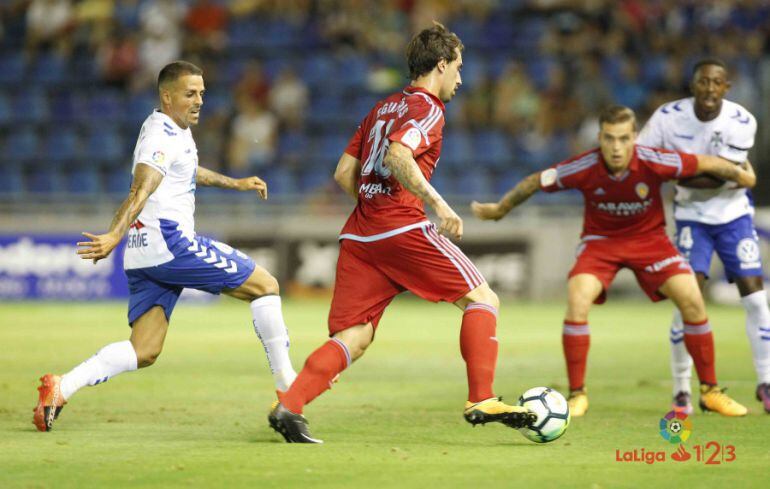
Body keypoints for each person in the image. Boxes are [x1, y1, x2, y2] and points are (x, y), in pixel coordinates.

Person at [267, 22, 536, 444]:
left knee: (354, 338)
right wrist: (439, 204)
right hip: (400, 226)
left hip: (360, 234)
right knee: (483, 299)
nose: (461, 79)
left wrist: (372, 203)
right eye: (459, 68)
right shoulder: (428, 108)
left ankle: (291, 405)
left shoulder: (382, 108)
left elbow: (342, 173)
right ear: (441, 65)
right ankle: (481, 398)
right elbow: (398, 155)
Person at [32, 61, 298, 432]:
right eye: (191, 93)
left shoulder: (172, 130)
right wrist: (113, 234)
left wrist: (235, 184)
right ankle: (290, 392)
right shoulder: (161, 137)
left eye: (202, 93)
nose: (199, 100)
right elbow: (141, 190)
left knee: (144, 350)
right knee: (266, 285)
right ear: (167, 95)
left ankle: (61, 387)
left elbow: (187, 171)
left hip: (145, 254)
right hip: (171, 243)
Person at [471, 105, 754, 417]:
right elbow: (537, 180)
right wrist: (501, 209)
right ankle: (578, 394)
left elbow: (705, 162)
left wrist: (742, 174)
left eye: (623, 139)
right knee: (577, 299)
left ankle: (710, 392)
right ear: (600, 138)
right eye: (609, 139)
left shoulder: (654, 160)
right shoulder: (583, 166)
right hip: (600, 245)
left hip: (651, 243)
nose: (616, 147)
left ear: (634, 137)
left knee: (692, 300)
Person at [637, 58, 770, 415]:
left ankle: (766, 383)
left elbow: (722, 180)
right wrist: (716, 170)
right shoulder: (668, 117)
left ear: (726, 88)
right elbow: (641, 159)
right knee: (687, 300)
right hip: (691, 218)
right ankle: (681, 390)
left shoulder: (741, 121)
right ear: (693, 85)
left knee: (757, 300)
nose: (710, 89)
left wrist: (673, 169)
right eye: (703, 82)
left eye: (717, 83)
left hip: (733, 216)